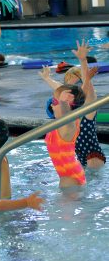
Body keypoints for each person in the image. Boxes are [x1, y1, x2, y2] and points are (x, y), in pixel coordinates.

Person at [39, 40, 106, 169]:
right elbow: (60, 89)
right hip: (77, 157)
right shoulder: (67, 110)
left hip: (93, 157)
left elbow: (86, 90)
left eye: (77, 82)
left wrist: (83, 61)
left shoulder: (87, 109)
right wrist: (47, 78)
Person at [45, 84, 86, 189]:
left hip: (70, 180)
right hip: (69, 176)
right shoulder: (60, 123)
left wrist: (63, 102)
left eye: (54, 102)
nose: (51, 105)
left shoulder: (68, 126)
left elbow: (67, 118)